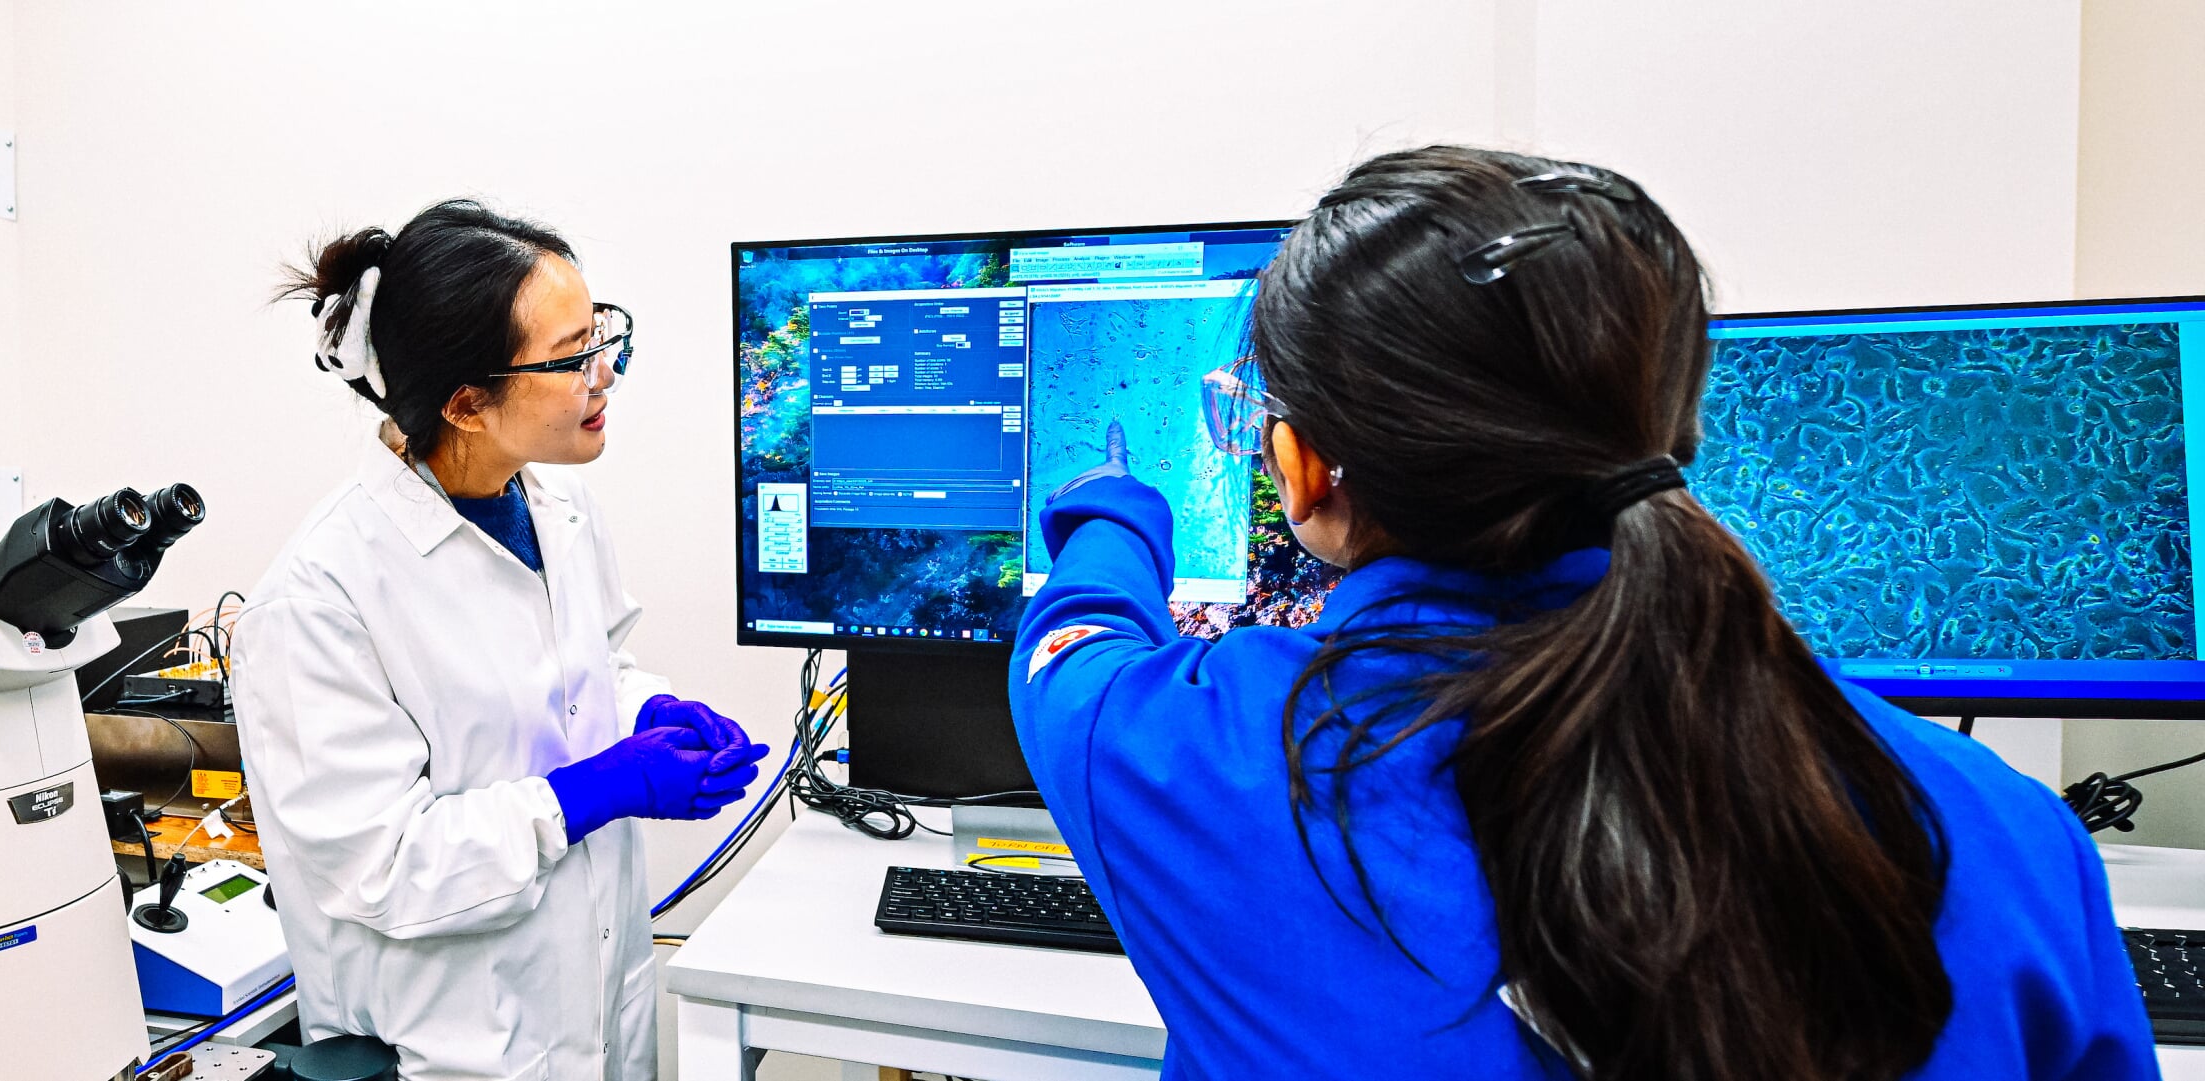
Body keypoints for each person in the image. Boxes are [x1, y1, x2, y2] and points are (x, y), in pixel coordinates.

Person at [1010, 147, 2155, 1080]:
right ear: (1668, 428)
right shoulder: (1999, 828)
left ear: (1303, 471)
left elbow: (1074, 653)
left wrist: (1113, 507)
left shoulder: (1200, 759)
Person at [232, 199, 769, 1081]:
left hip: (597, 1028)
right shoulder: (317, 599)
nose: (606, 374)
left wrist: (649, 710)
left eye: (604, 337)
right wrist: (597, 789)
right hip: (448, 1054)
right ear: (468, 403)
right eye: (572, 358)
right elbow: (385, 867)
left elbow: (584, 675)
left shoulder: (553, 507)